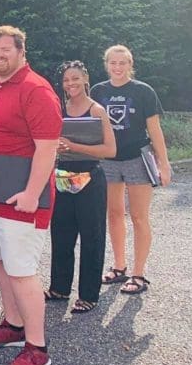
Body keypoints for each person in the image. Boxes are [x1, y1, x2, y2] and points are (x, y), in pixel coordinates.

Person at [0, 25, 61, 365]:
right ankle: (13, 324)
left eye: (5, 50)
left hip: (18, 199)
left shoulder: (37, 89)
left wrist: (32, 193)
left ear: (21, 51)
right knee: (3, 265)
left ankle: (37, 347)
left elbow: (47, 147)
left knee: (22, 272)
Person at [90, 45, 171, 296]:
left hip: (137, 158)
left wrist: (164, 163)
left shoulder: (143, 91)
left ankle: (138, 273)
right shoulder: (97, 91)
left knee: (138, 217)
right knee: (114, 214)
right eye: (113, 63)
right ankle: (119, 267)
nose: (118, 67)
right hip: (108, 160)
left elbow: (154, 130)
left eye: (122, 63)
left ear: (130, 64)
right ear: (107, 64)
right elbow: (91, 127)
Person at [47, 61, 116, 314]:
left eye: (75, 78)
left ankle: (89, 295)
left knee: (92, 237)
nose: (70, 84)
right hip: (63, 176)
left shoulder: (96, 110)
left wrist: (74, 146)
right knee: (61, 234)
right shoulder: (59, 108)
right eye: (66, 80)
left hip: (90, 178)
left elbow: (110, 150)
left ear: (85, 79)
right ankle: (59, 288)